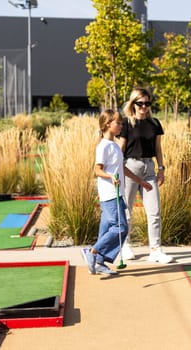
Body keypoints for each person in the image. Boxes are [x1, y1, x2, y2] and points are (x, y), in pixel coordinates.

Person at [83, 109, 152, 275]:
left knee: (106, 231)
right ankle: (92, 251)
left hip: (117, 193)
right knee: (121, 228)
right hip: (109, 194)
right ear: (108, 124)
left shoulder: (114, 145)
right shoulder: (103, 147)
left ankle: (99, 262)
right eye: (118, 123)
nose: (121, 125)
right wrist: (110, 177)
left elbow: (121, 168)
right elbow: (97, 170)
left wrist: (140, 181)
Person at [118, 88, 174, 264]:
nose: (143, 107)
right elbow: (120, 148)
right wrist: (117, 170)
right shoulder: (126, 124)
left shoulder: (154, 124)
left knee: (155, 211)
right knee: (127, 209)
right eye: (140, 103)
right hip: (130, 167)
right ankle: (125, 245)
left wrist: (161, 168)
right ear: (133, 104)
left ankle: (155, 250)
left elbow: (158, 148)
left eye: (147, 103)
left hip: (149, 168)